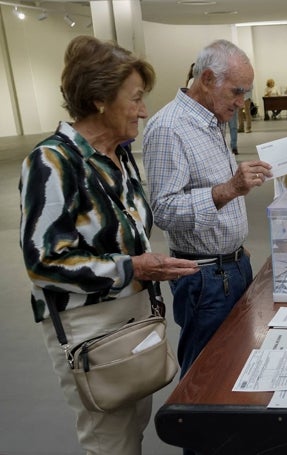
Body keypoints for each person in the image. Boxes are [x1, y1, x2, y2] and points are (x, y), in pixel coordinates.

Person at [18, 35, 198, 454]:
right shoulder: (53, 162)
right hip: (92, 328)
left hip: (133, 317)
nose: (144, 110)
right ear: (100, 99)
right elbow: (43, 261)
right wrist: (132, 268)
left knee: (131, 429)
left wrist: (142, 270)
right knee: (108, 441)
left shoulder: (119, 154)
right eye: (135, 98)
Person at [143, 39, 272, 379]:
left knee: (236, 362)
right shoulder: (169, 128)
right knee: (204, 373)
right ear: (207, 79)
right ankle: (195, 432)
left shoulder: (213, 121)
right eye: (237, 91)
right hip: (205, 278)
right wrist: (230, 188)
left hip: (232, 265)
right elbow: (164, 210)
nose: (243, 102)